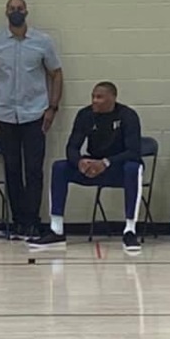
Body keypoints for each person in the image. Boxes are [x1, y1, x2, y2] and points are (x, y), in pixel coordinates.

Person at [0, 0, 62, 240]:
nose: (16, 12)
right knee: (12, 170)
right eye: (11, 9)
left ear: (27, 12)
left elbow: (56, 73)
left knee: (34, 170)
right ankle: (18, 223)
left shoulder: (42, 42)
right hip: (4, 115)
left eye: (20, 9)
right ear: (6, 12)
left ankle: (33, 222)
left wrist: (52, 108)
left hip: (35, 114)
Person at [29, 81, 143, 252]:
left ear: (112, 98)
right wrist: (80, 162)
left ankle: (130, 230)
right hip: (92, 166)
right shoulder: (85, 115)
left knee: (133, 168)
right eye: (93, 97)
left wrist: (106, 163)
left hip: (116, 166)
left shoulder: (128, 116)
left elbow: (133, 151)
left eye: (100, 97)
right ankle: (56, 229)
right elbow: (72, 147)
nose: (95, 101)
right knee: (59, 167)